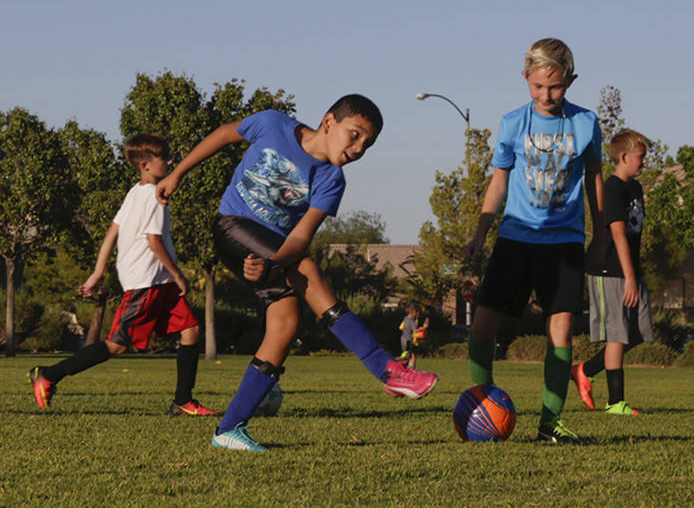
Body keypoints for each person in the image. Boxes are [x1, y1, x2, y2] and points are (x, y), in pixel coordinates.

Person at [156, 94, 438, 451]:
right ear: (329, 121)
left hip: (272, 250)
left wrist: (272, 264)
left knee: (285, 324)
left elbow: (301, 237)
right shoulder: (273, 124)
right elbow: (224, 135)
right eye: (355, 134)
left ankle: (228, 429)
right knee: (305, 269)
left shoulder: (332, 180)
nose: (358, 148)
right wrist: (178, 173)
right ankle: (385, 368)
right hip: (232, 225)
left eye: (368, 144)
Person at [465, 38, 604, 444]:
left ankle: (550, 422)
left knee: (560, 334)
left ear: (570, 81)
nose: (546, 95)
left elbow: (594, 181)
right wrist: (480, 231)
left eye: (556, 87)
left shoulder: (585, 123)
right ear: (525, 78)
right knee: (484, 325)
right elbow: (499, 180)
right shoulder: (512, 123)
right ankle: (481, 404)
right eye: (538, 86)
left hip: (564, 244)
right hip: (516, 237)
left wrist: (598, 239)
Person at [29, 134, 217, 416]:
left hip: (159, 281)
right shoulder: (154, 197)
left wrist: (98, 271)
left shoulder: (134, 191)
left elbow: (111, 232)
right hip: (145, 282)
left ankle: (183, 400)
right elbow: (154, 241)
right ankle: (49, 374)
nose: (171, 162)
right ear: (145, 165)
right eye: (164, 159)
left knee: (190, 330)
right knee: (116, 346)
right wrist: (178, 274)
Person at [571, 129, 653, 416]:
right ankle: (616, 403)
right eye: (640, 157)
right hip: (611, 271)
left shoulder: (636, 188)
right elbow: (618, 233)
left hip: (631, 268)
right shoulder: (613, 188)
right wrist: (629, 277)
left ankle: (585, 369)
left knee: (639, 332)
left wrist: (635, 274)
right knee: (617, 336)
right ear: (623, 156)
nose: (644, 162)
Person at [398, 303, 429, 368]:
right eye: (417, 312)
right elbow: (415, 331)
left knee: (409, 355)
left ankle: (408, 368)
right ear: (413, 312)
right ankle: (392, 361)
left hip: (403, 339)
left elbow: (400, 328)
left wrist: (407, 331)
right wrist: (424, 328)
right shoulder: (411, 320)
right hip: (408, 340)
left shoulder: (405, 318)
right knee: (405, 356)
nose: (418, 313)